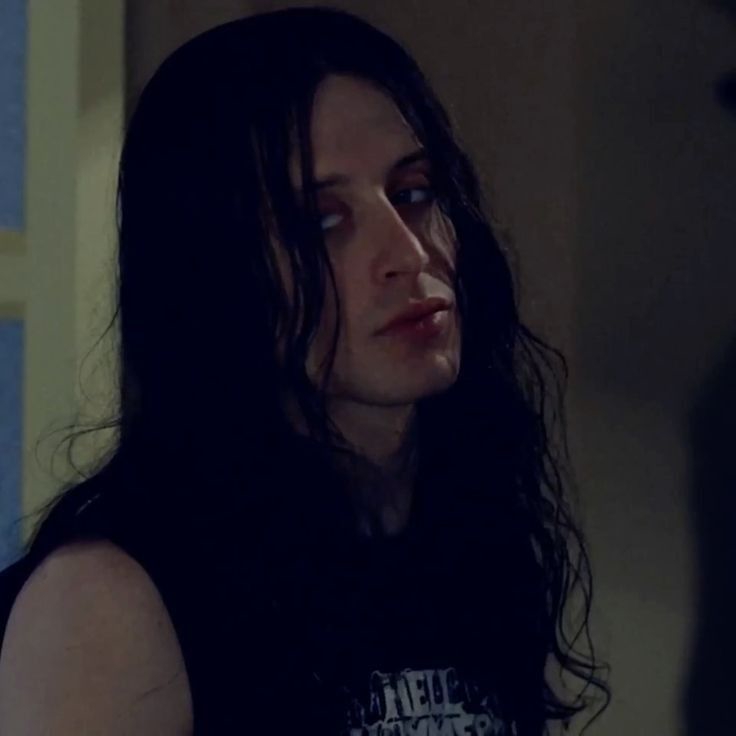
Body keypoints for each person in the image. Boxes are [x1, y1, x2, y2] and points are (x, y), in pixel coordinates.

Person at [0, 7, 609, 735]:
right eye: (320, 223)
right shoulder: (111, 598)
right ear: (217, 275)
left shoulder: (467, 538)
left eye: (413, 193)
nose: (408, 253)